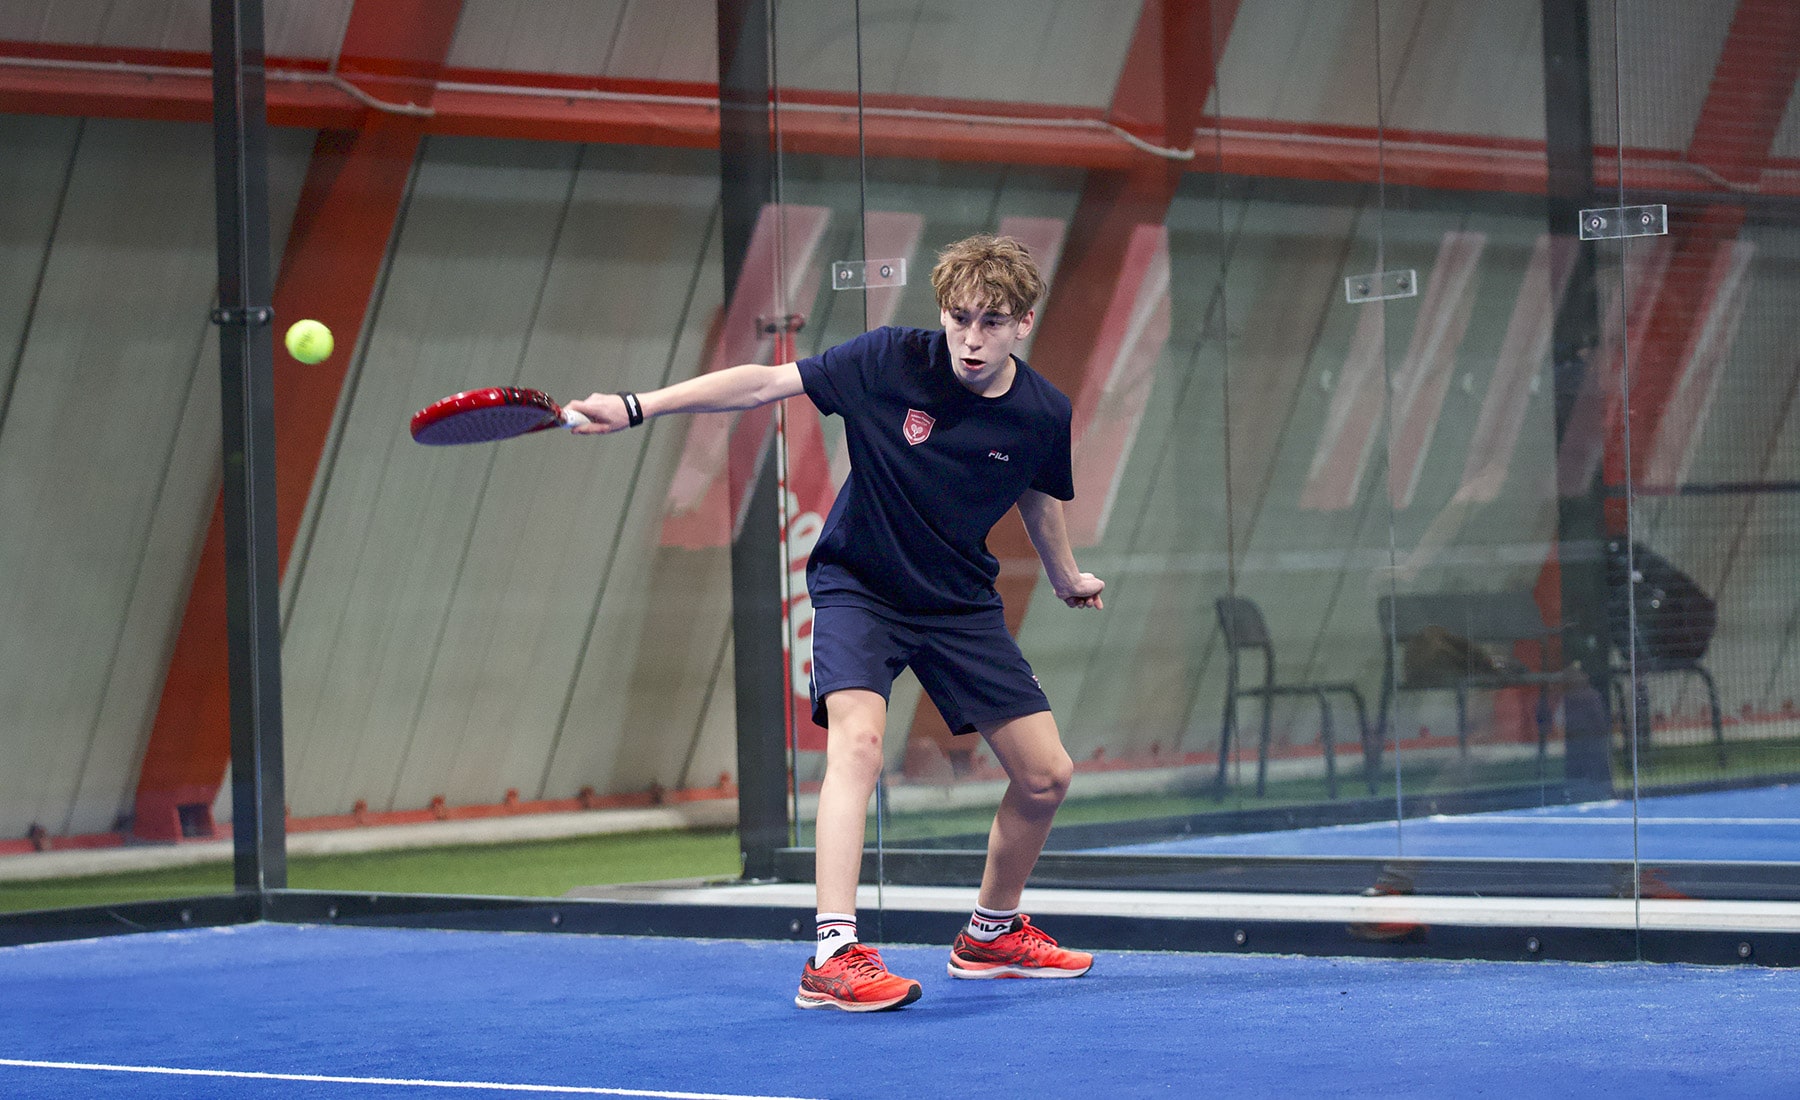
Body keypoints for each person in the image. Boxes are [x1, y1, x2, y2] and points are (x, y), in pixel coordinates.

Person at [566, 234, 1105, 1011]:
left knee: (1047, 775)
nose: (972, 339)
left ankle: (990, 936)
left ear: (1024, 322)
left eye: (992, 322)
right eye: (959, 318)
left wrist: (1065, 576)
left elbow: (1036, 493)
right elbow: (763, 383)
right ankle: (833, 954)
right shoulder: (888, 359)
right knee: (858, 743)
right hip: (861, 587)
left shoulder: (1042, 412)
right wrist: (634, 406)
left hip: (956, 601)